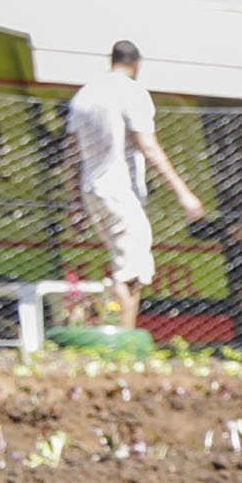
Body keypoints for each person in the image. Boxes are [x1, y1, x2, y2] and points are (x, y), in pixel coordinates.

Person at [61, 40, 200, 337]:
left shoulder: (84, 95)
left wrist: (74, 203)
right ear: (137, 63)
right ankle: (124, 342)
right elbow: (147, 145)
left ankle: (115, 330)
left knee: (122, 263)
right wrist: (183, 192)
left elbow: (71, 154)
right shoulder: (131, 92)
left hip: (92, 190)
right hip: (118, 189)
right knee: (133, 271)